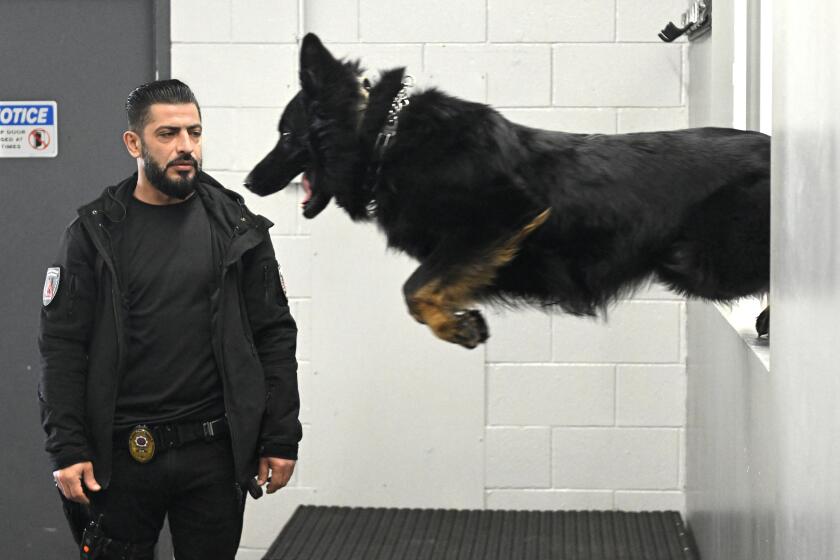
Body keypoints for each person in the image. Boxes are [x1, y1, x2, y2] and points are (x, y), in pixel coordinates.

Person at [38, 79, 301, 559]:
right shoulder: (93, 234)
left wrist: (280, 435)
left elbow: (275, 337)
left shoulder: (239, 230)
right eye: (168, 134)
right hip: (118, 458)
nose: (185, 147)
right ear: (133, 143)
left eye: (194, 132)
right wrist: (68, 446)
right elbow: (62, 347)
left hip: (215, 455)